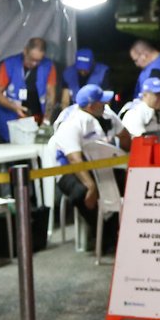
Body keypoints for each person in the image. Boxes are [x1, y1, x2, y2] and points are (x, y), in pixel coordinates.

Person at [47, 83, 119, 249]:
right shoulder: (71, 123)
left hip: (97, 165)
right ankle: (103, 235)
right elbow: (74, 160)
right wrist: (91, 186)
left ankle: (121, 230)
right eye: (101, 101)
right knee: (82, 193)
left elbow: (124, 136)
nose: (105, 104)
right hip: (68, 169)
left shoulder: (105, 113)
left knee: (125, 183)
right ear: (90, 106)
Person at [0, 37, 58, 143]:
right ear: (25, 51)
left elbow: (51, 95)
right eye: (31, 59)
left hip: (35, 122)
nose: (34, 63)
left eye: (38, 60)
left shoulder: (48, 66)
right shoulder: (9, 64)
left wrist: (46, 119)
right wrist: (14, 107)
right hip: (8, 121)